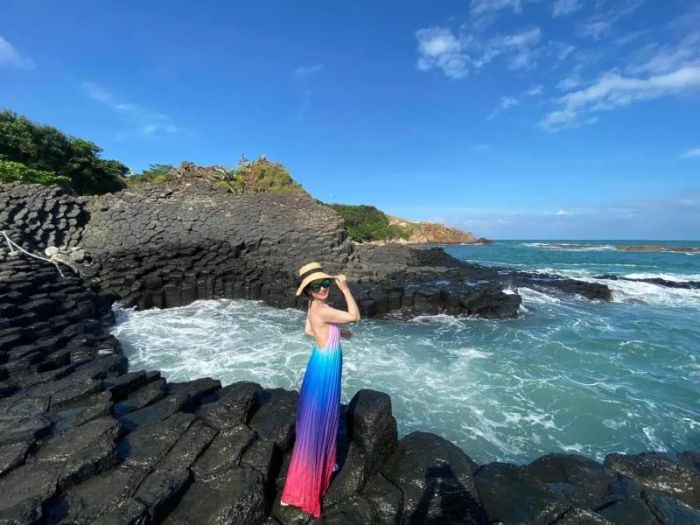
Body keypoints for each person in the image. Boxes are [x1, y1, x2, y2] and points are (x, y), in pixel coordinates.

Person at [279, 261, 361, 518]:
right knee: (319, 421)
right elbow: (356, 316)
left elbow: (308, 330)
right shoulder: (322, 309)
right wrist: (345, 289)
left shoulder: (316, 307)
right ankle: (300, 488)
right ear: (308, 290)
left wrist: (336, 331)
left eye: (325, 283)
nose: (323, 288)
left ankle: (323, 463)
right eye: (316, 286)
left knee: (316, 419)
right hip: (325, 369)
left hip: (320, 361)